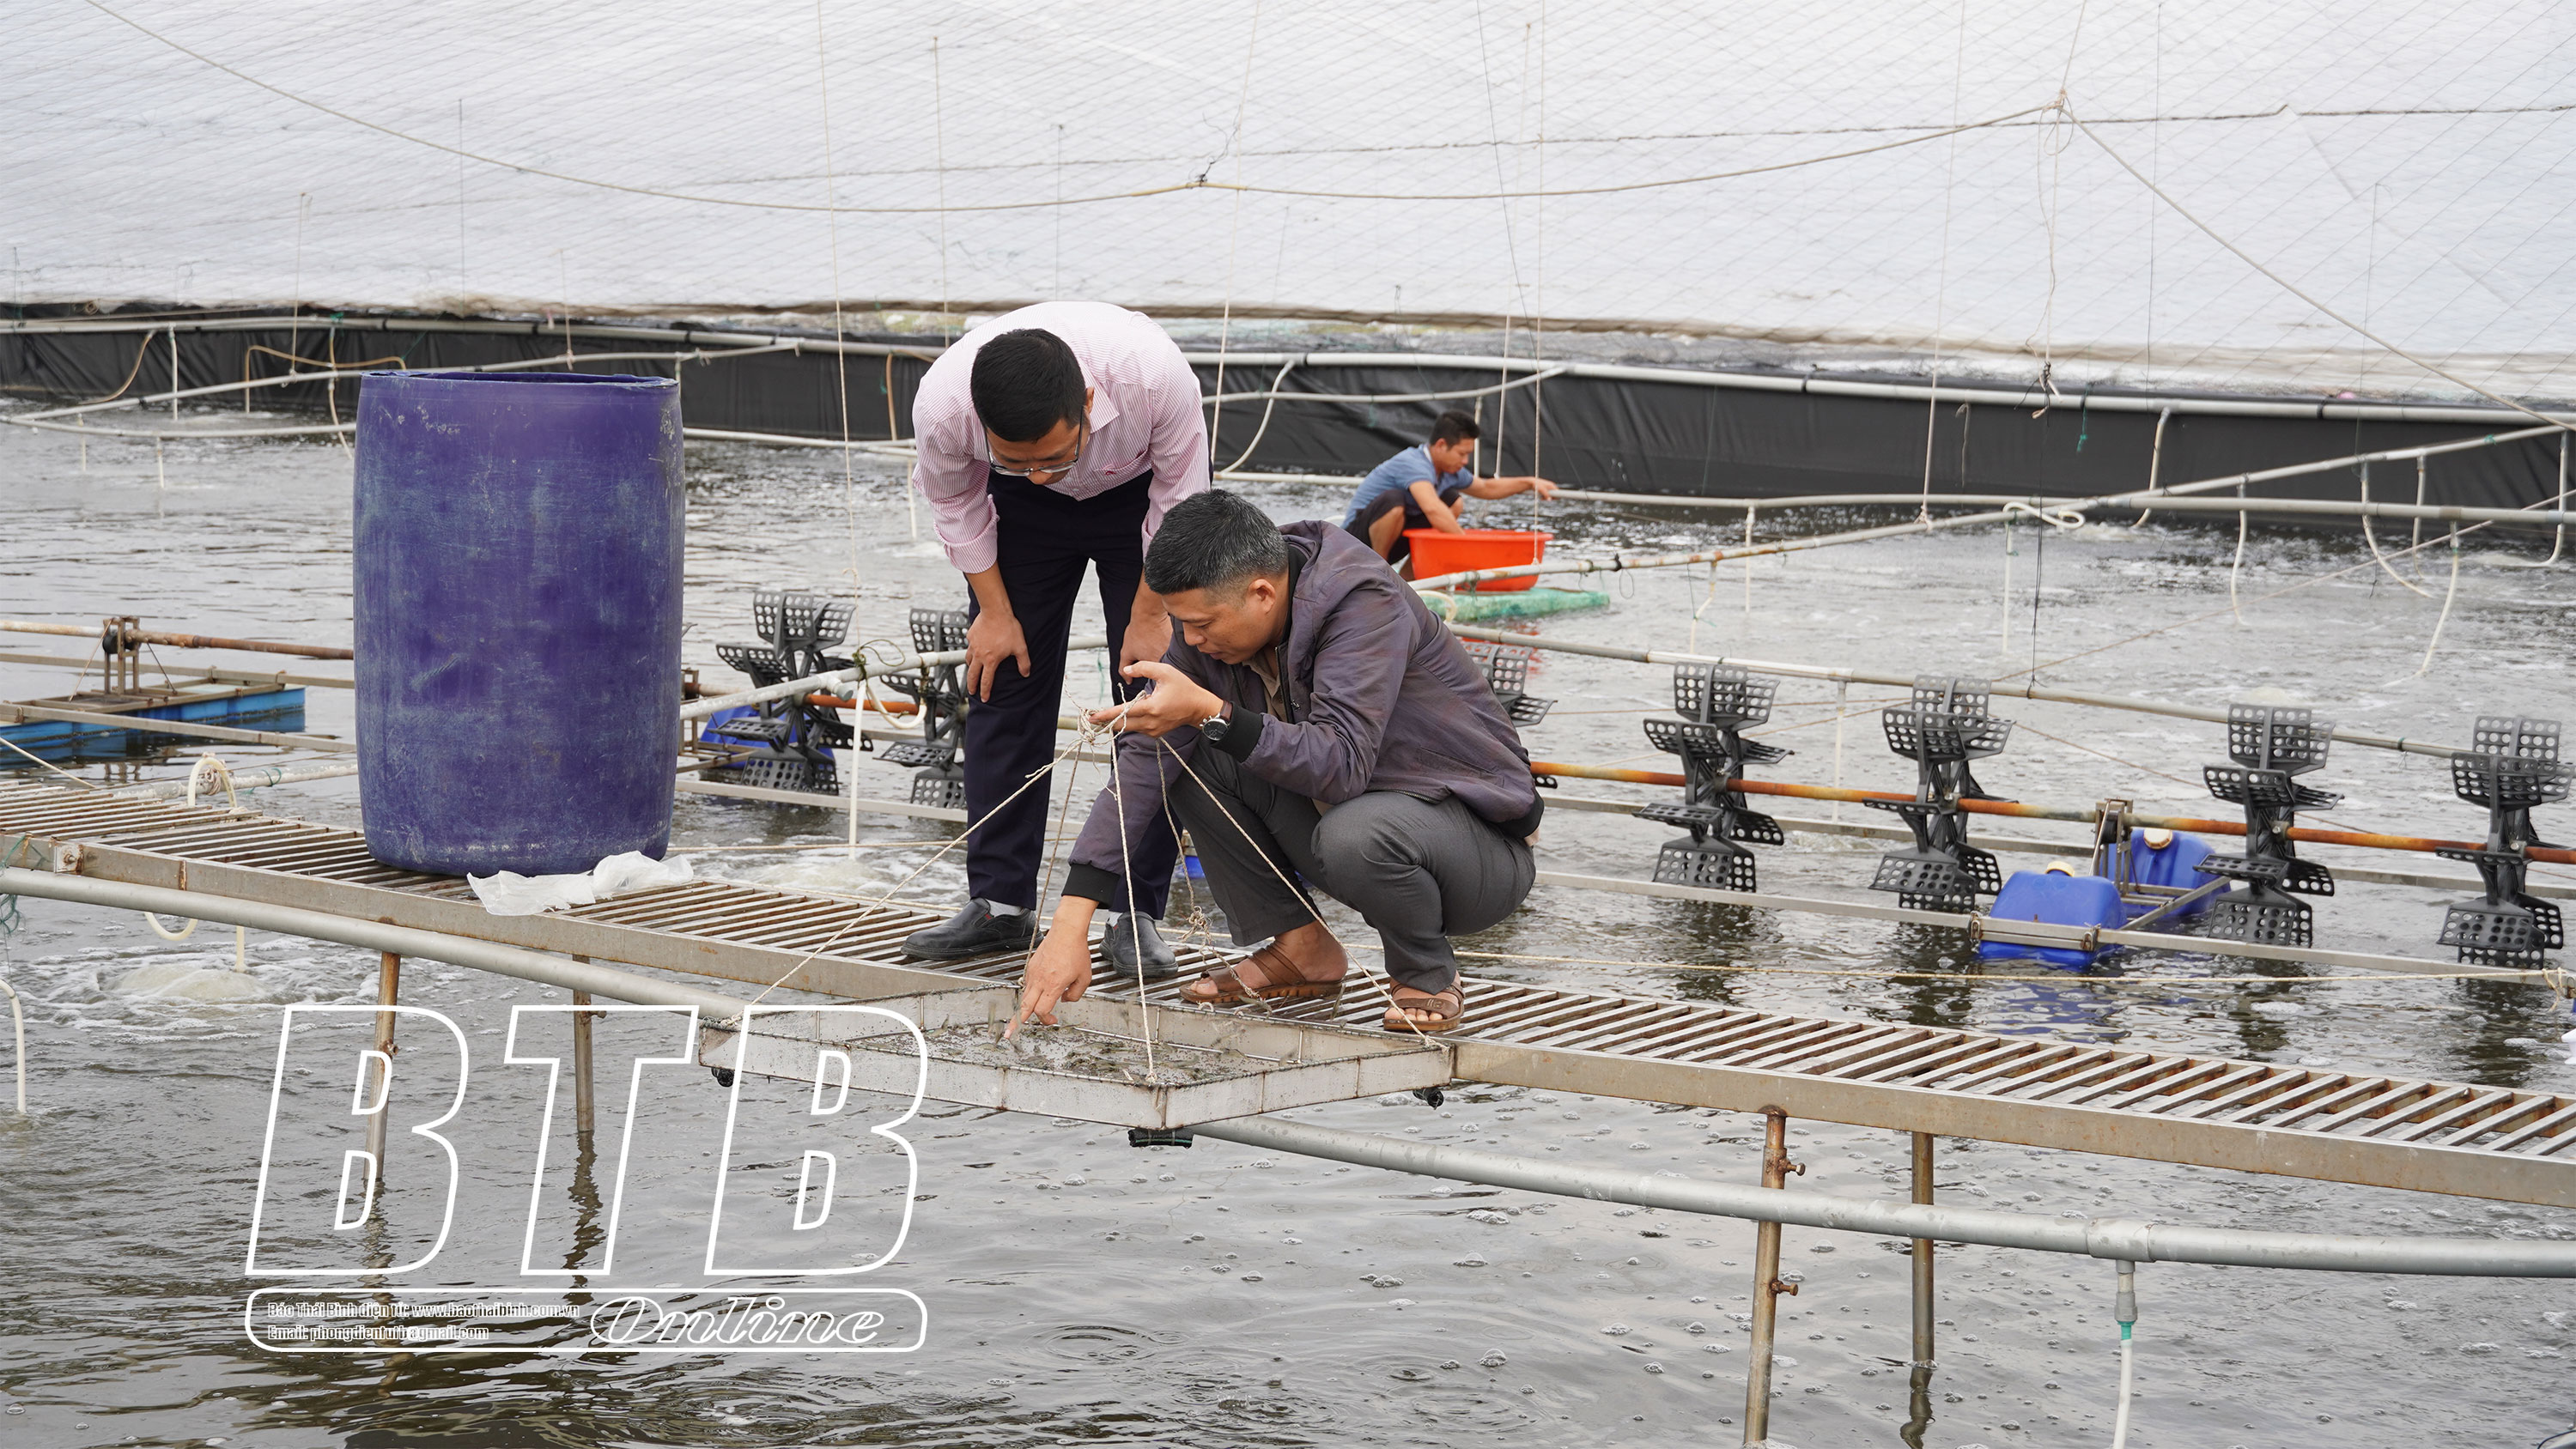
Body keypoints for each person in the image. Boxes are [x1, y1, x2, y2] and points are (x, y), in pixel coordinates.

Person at [1009, 489, 1544, 1037]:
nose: (1190, 639)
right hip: (1359, 821)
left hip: (1476, 850)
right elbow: (1145, 761)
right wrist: (1070, 923)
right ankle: (1303, 947)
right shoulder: (1213, 621)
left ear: (1262, 594)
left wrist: (1211, 712)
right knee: (1183, 751)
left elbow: (1341, 765)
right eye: (1180, 623)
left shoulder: (1361, 603)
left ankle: (1425, 972)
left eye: (1202, 624)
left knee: (1352, 831)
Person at [896, 301, 1208, 978]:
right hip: (1020, 517)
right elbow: (955, 503)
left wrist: (1151, 611)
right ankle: (1000, 905)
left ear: (1088, 404)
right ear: (983, 425)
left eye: (1053, 456)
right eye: (1018, 458)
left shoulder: (1154, 377)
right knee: (1003, 680)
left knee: (1154, 696)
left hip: (1138, 500)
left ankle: (1133, 910)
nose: (1042, 471)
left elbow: (1181, 504)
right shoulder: (944, 407)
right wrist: (994, 612)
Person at [1340, 410, 1558, 567]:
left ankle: (1409, 580)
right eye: (1462, 454)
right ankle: (1379, 573)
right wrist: (1469, 548)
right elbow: (1432, 508)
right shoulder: (1413, 463)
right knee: (1394, 501)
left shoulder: (1450, 470)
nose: (1465, 461)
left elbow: (1487, 488)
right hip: (1354, 543)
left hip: (1391, 539)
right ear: (1441, 445)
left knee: (1452, 500)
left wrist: (1529, 482)